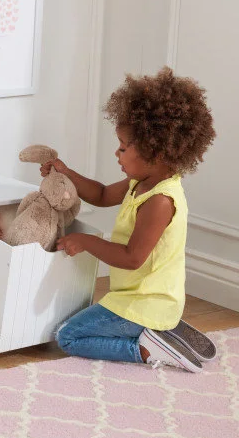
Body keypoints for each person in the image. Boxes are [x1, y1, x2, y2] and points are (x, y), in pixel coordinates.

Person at [46, 67, 216, 373]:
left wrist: (86, 241)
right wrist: (67, 173)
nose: (117, 153)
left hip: (145, 302)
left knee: (67, 337)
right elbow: (100, 194)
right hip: (136, 299)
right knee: (79, 329)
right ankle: (161, 330)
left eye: (124, 147)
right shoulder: (141, 182)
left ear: (156, 152)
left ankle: (145, 348)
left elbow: (132, 258)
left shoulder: (159, 201)